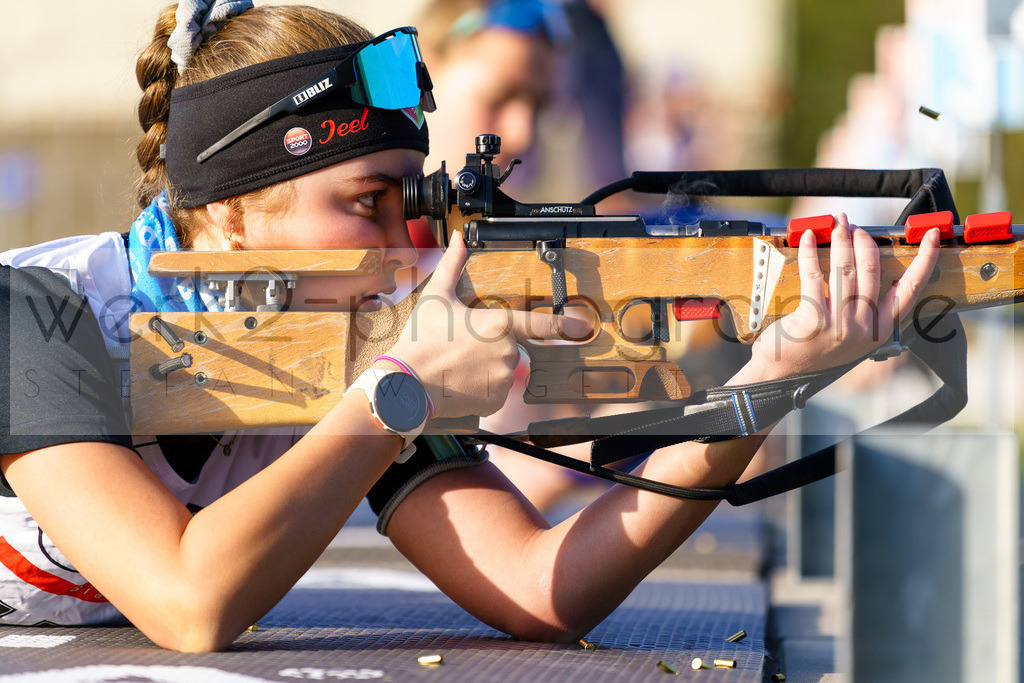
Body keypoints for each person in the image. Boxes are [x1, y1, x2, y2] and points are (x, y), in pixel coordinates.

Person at [0, 1, 940, 653]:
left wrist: (765, 388)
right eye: (362, 201)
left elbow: (540, 587)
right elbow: (189, 600)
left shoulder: (357, 348)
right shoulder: (40, 312)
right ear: (231, 214)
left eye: (406, 199)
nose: (398, 238)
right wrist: (397, 392)